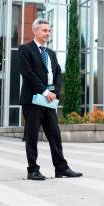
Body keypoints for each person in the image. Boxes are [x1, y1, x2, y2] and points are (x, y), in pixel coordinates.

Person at [18, 18, 82, 180]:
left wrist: (56, 94)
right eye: (44, 30)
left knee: (55, 134)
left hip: (49, 101)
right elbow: (27, 74)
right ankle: (32, 170)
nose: (47, 33)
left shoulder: (51, 54)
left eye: (49, 31)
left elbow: (58, 74)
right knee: (32, 136)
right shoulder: (25, 49)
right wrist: (45, 92)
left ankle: (61, 168)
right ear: (35, 31)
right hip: (33, 100)